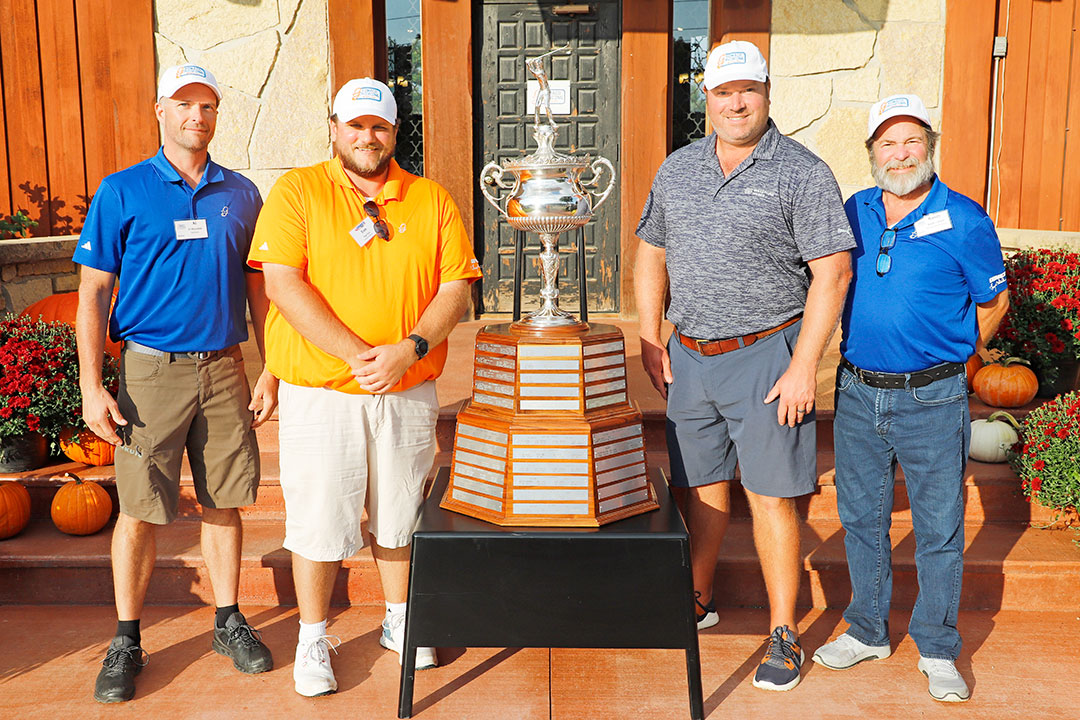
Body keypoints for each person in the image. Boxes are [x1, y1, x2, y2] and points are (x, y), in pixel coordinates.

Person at [247, 77, 482, 698]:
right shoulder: (299, 190)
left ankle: (400, 620)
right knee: (318, 518)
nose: (366, 136)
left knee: (400, 513)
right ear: (334, 129)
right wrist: (359, 355)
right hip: (323, 391)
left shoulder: (430, 198)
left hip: (405, 388)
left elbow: (455, 288)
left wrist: (409, 349)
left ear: (394, 132)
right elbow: (282, 284)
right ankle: (312, 636)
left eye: (378, 126)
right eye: (354, 125)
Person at [635, 40, 854, 692]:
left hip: (767, 358)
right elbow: (651, 252)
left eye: (748, 91)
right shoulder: (678, 168)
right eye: (724, 92)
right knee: (700, 487)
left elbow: (833, 273)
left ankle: (784, 632)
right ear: (706, 97)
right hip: (690, 357)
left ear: (766, 93)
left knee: (770, 498)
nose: (736, 103)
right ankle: (697, 600)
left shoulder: (803, 172)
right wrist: (649, 336)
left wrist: (803, 367)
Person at [75, 64, 277, 704]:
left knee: (225, 500)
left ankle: (228, 619)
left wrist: (270, 366)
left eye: (208, 105)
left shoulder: (241, 193)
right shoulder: (121, 191)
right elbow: (92, 294)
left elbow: (259, 287)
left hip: (223, 368)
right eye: (185, 104)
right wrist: (91, 386)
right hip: (149, 372)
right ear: (159, 110)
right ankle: (126, 639)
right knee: (139, 508)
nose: (197, 116)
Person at [812, 94, 1009, 703]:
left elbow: (994, 301)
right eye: (888, 144)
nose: (900, 155)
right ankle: (867, 630)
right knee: (861, 519)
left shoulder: (965, 218)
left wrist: (957, 361)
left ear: (930, 147)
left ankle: (937, 647)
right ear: (872, 153)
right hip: (857, 393)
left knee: (939, 529)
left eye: (912, 141)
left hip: (933, 399)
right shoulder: (855, 210)